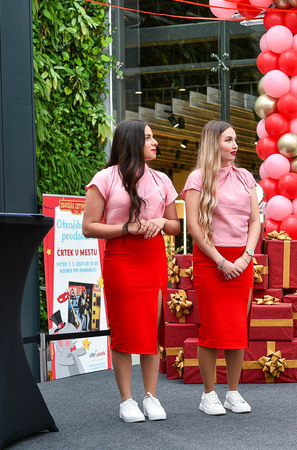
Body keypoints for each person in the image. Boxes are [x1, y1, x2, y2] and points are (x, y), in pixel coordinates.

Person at [82, 119, 180, 423]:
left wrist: (162, 223)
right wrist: (127, 227)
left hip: (153, 258)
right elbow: (88, 227)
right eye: (148, 137)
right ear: (131, 142)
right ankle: (126, 399)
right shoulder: (105, 178)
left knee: (153, 329)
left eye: (154, 137)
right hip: (121, 259)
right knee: (125, 329)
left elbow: (176, 226)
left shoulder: (162, 179)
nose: (154, 143)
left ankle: (151, 396)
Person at [182, 121, 261, 416]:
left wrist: (246, 256)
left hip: (242, 259)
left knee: (237, 328)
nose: (235, 145)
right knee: (213, 328)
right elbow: (193, 226)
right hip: (209, 259)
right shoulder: (197, 178)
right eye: (229, 140)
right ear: (214, 143)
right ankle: (208, 394)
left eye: (236, 140)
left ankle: (233, 392)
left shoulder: (245, 178)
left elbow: (255, 221)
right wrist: (220, 260)